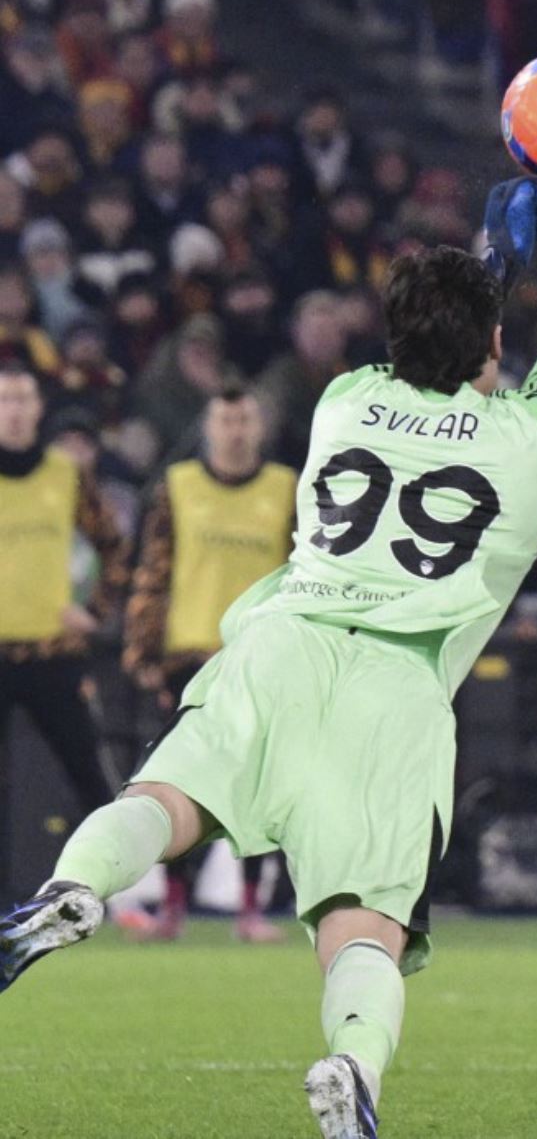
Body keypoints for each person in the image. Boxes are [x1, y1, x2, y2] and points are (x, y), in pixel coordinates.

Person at [0, 169, 537, 1139]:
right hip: (399, 680)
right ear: (497, 345)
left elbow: (438, 348)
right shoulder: (531, 437)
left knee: (168, 799)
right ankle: (350, 1063)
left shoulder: (346, 401)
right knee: (364, 919)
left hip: (285, 639)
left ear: (390, 343)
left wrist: (492, 256)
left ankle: (71, 888)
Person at [121, 384, 297, 943]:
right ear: (208, 426)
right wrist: (144, 651)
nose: (235, 430)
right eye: (225, 420)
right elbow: (154, 569)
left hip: (258, 656)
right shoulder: (178, 488)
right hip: (189, 657)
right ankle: (172, 907)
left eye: (244, 419)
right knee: (177, 782)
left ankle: (250, 910)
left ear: (259, 425)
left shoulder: (285, 488)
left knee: (257, 788)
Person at [0, 363, 127, 819]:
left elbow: (113, 545)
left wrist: (95, 611)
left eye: (22, 400)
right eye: (4, 400)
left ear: (38, 409)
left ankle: (103, 885)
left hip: (53, 650)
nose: (12, 411)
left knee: (88, 775)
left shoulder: (65, 474)